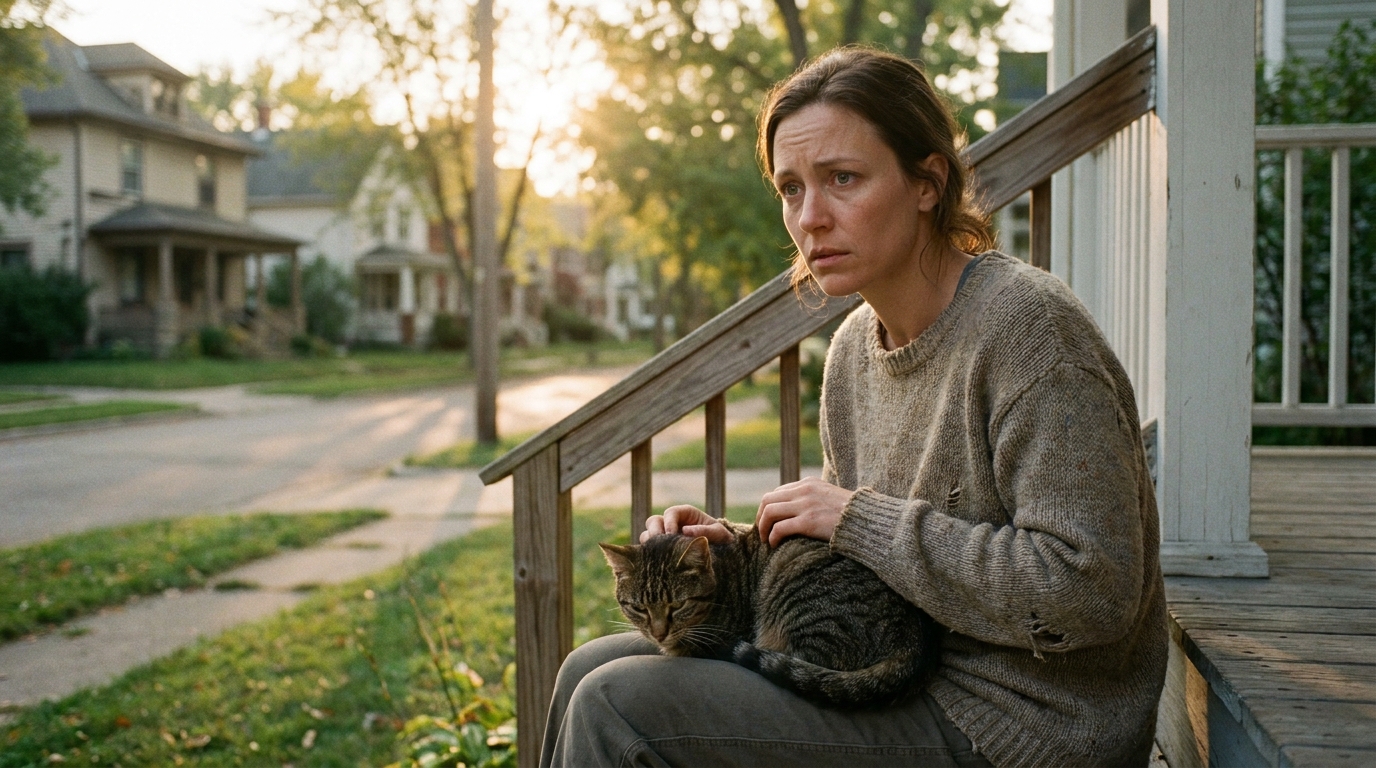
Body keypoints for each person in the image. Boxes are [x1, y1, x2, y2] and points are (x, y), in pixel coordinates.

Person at [542, 46, 1167, 768]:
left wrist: (858, 520)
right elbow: (862, 564)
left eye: (842, 179)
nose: (811, 218)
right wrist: (730, 552)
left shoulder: (1030, 331)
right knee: (586, 668)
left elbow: (1091, 590)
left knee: (616, 705)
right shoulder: (850, 353)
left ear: (928, 183)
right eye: (790, 189)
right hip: (904, 672)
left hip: (1022, 726)